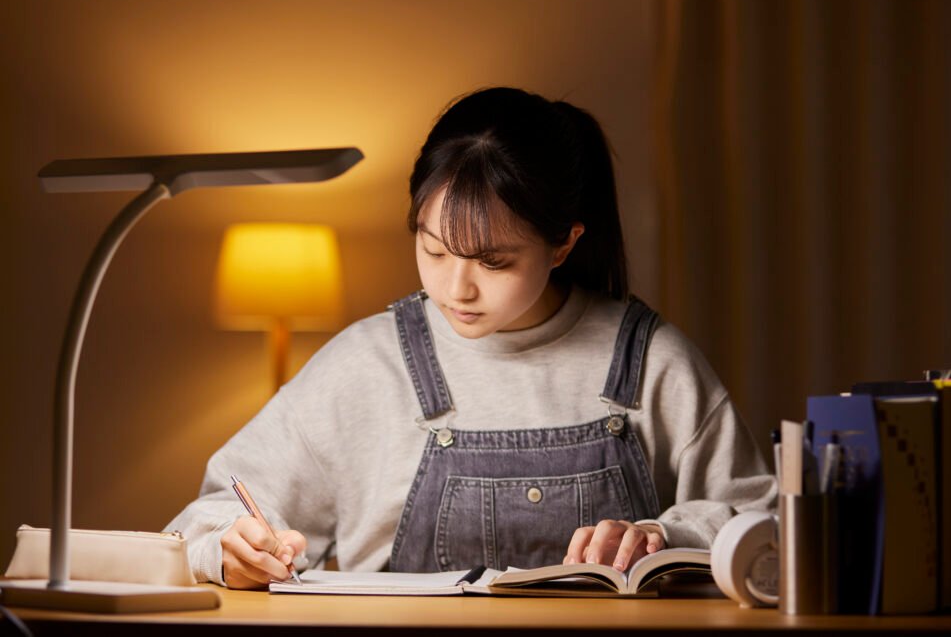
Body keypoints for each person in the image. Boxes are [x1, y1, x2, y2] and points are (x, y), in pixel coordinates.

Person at [166, 87, 776, 589]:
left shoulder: (651, 362)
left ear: (564, 243)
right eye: (433, 249)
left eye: (494, 262)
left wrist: (669, 537)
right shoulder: (366, 365)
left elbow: (767, 523)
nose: (455, 288)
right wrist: (227, 548)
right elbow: (207, 515)